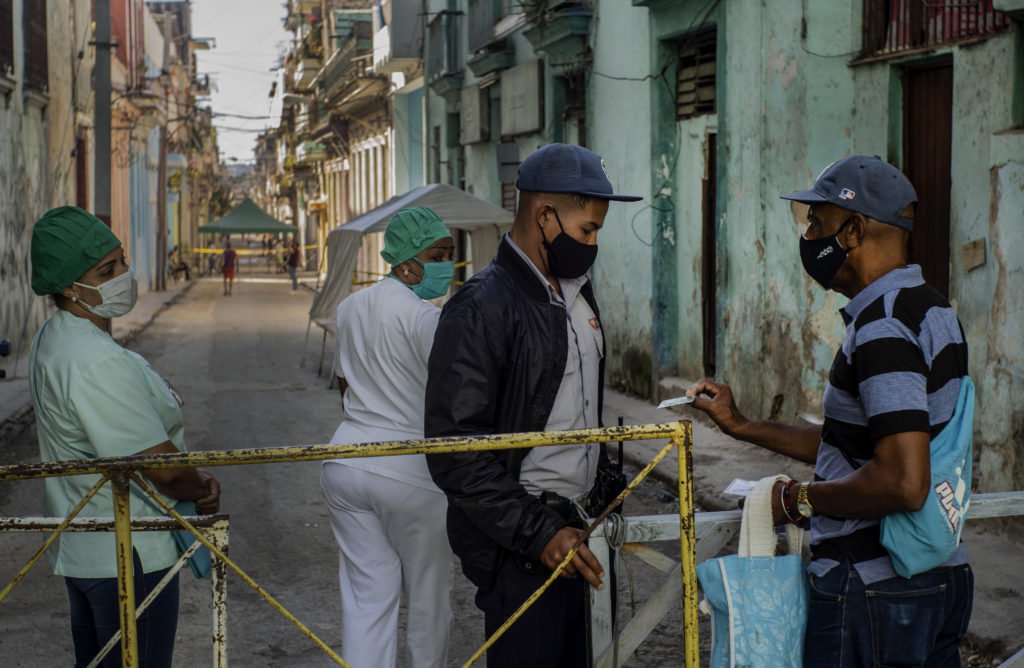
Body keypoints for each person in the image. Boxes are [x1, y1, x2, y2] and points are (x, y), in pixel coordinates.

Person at [685, 155, 973, 667]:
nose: (810, 236)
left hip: (874, 590)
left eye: (817, 224)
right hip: (938, 575)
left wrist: (800, 501)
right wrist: (743, 425)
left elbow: (902, 481)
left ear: (854, 230)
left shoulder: (883, 326)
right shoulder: (931, 308)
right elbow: (860, 444)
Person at [423, 144, 642, 668]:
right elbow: (454, 450)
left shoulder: (578, 293)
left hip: (585, 533)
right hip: (526, 549)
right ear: (545, 216)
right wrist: (537, 532)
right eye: (587, 230)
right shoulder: (480, 308)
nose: (593, 244)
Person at [28, 206, 221, 668]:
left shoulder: (54, 338)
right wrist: (201, 488)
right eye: (107, 270)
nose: (124, 277)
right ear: (70, 286)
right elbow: (164, 468)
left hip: (87, 550)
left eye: (122, 263)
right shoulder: (94, 360)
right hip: (128, 555)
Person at [319, 206, 456, 668]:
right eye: (438, 254)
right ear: (406, 261)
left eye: (450, 254)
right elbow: (451, 397)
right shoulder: (426, 319)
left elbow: (344, 385)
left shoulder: (350, 307)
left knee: (366, 599)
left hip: (345, 462)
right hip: (410, 471)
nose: (447, 265)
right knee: (428, 598)